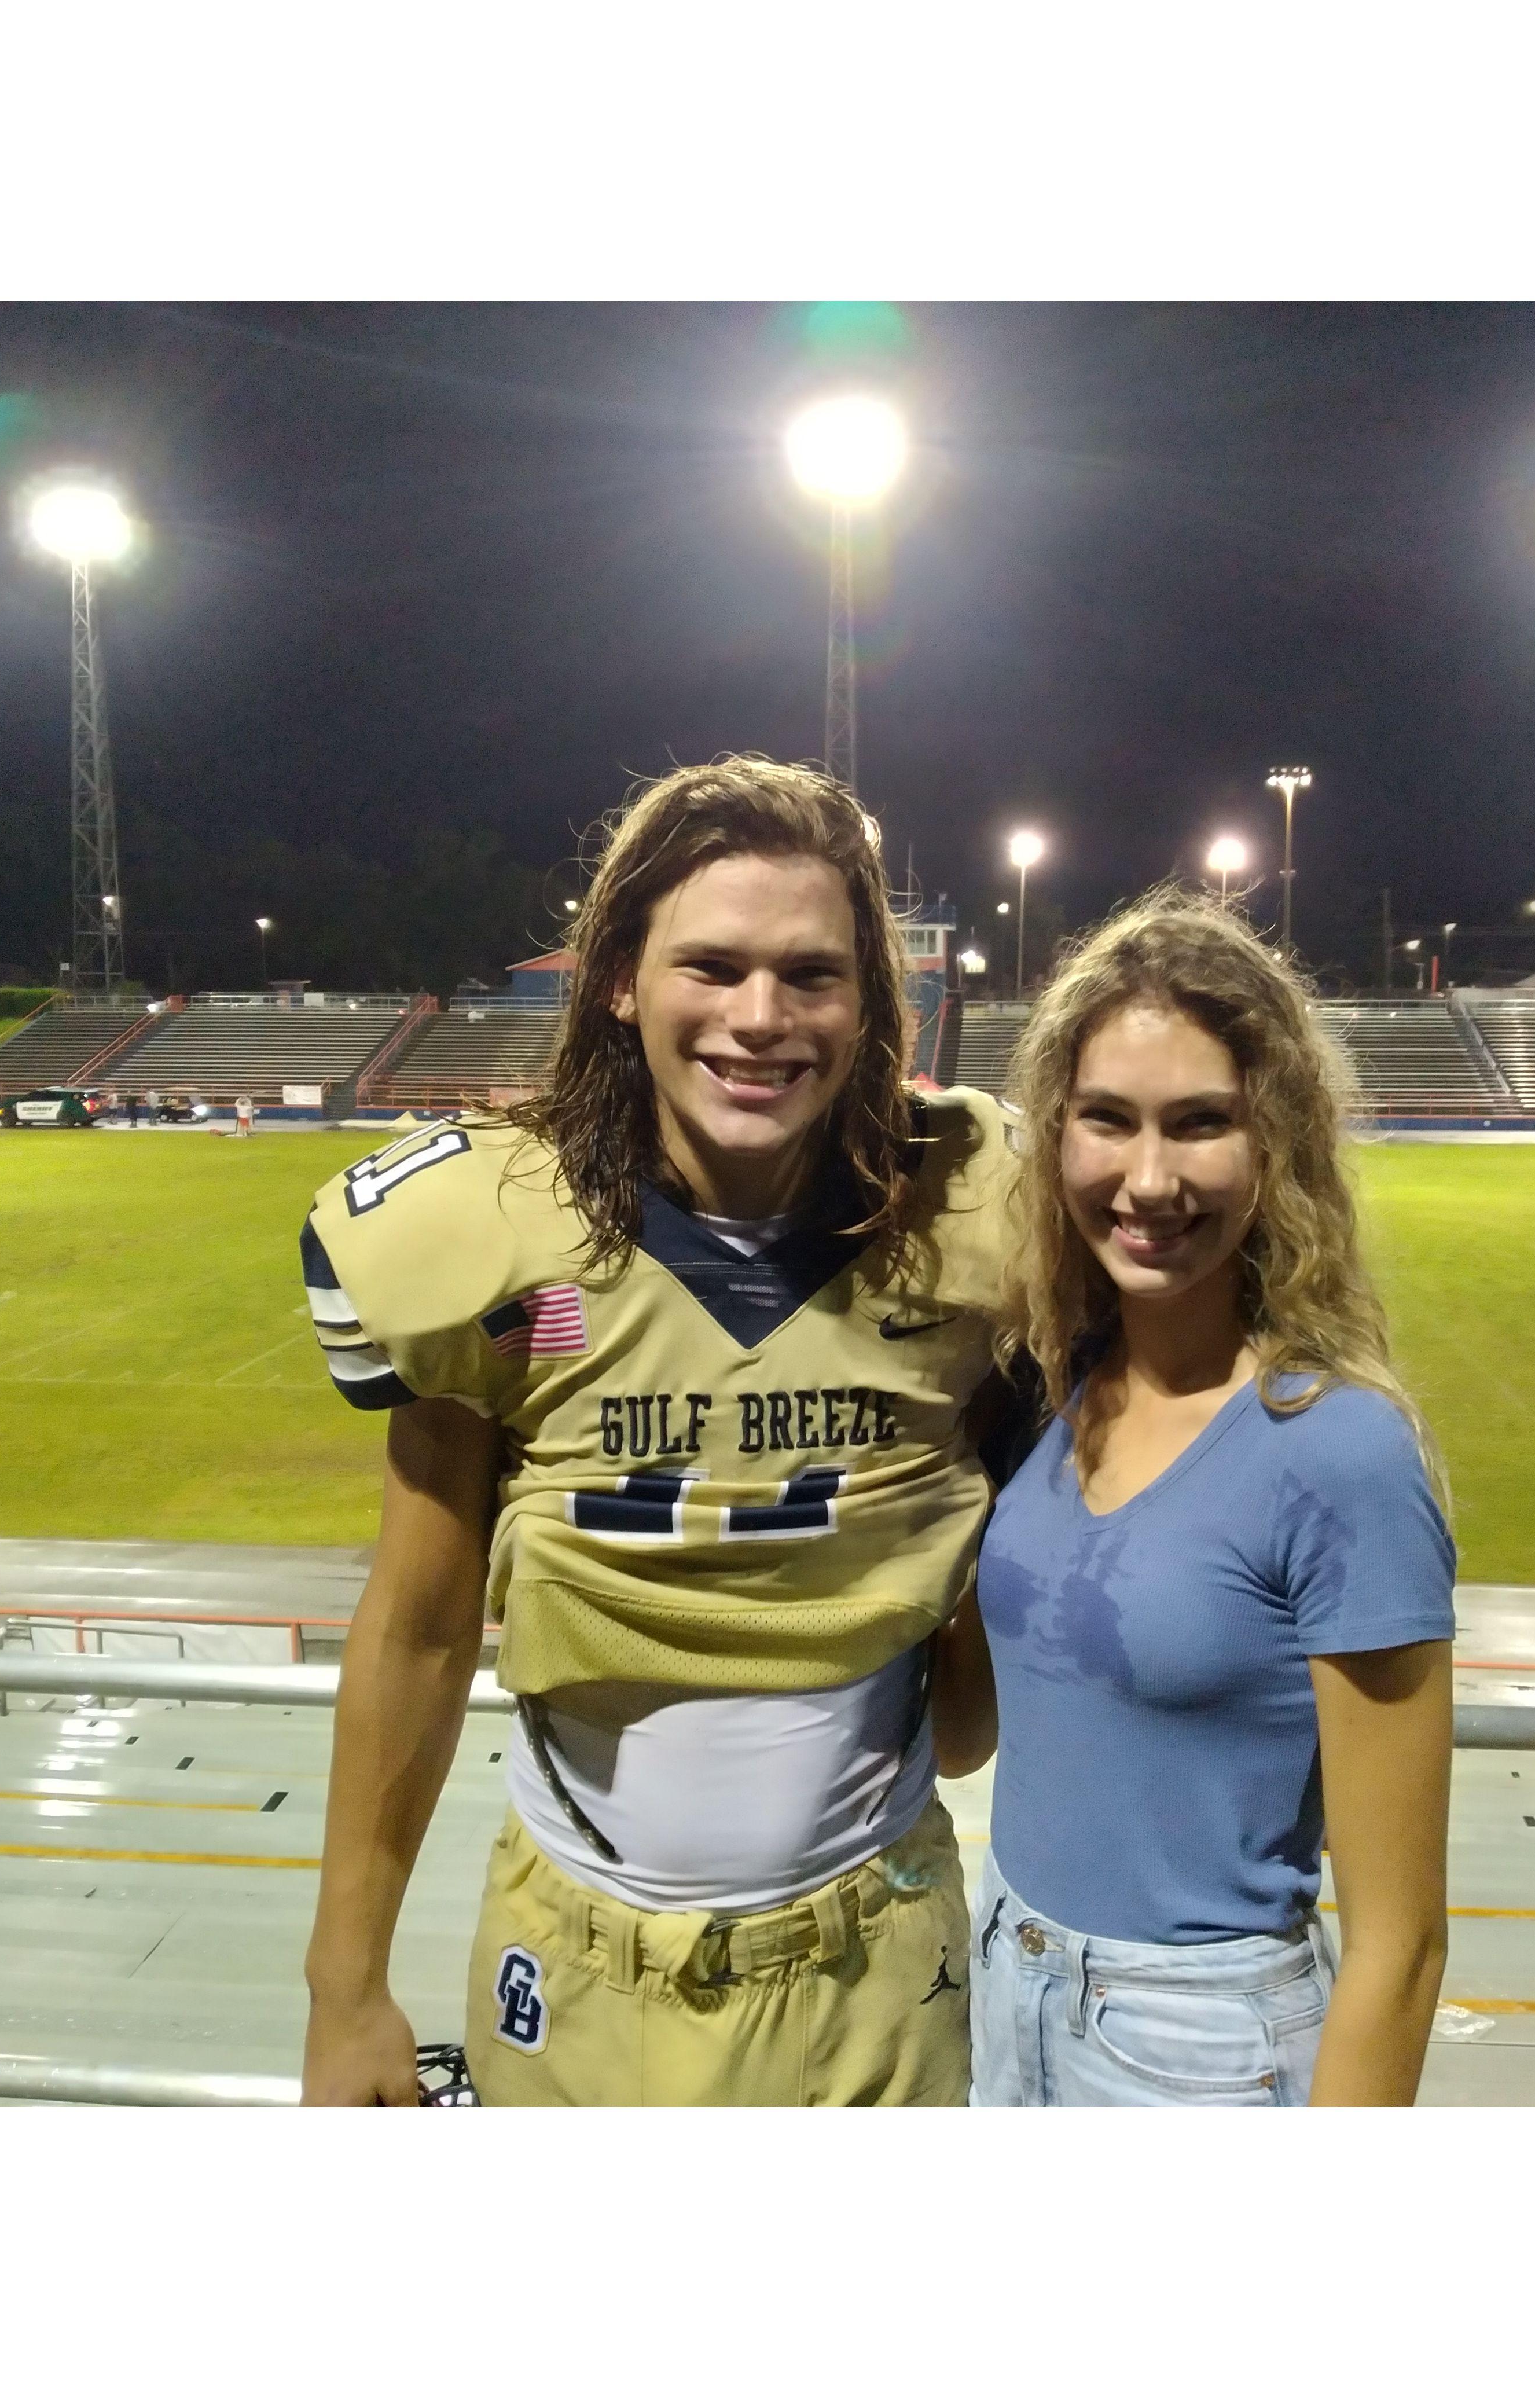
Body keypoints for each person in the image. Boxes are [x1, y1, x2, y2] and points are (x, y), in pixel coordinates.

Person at [297, 758, 1015, 2106]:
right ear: (619, 975)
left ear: (871, 1002)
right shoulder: (485, 1234)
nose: (761, 1017)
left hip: (875, 1939)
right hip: (572, 1949)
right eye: (713, 965)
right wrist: (344, 1986)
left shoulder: (973, 1213)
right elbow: (419, 1622)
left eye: (812, 973)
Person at [934, 887, 1455, 2107]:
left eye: (1201, 1123)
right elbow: (968, 1734)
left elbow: (1404, 1945)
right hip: (1003, 1980)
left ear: (1274, 1144)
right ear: (1055, 1134)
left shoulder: (1339, 1450)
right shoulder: (1045, 1396)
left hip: (1198, 2040)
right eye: (1107, 1120)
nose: (1149, 1178)